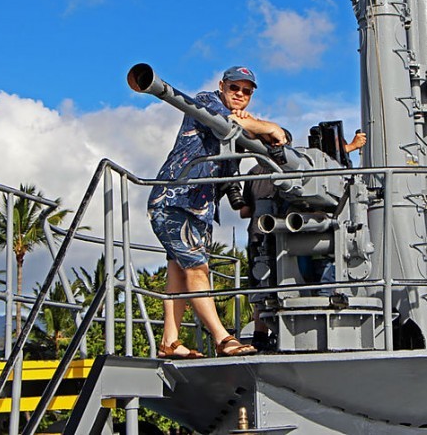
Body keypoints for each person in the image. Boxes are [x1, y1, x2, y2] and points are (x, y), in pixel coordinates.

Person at [148, 66, 288, 359]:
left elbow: (246, 141)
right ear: (222, 86)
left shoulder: (238, 119)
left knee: (179, 273)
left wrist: (261, 130)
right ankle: (222, 337)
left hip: (199, 208)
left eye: (246, 91)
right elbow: (226, 124)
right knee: (197, 270)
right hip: (176, 200)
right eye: (235, 88)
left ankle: (169, 342)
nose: (240, 94)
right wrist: (268, 125)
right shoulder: (206, 101)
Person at [239, 130, 367, 351]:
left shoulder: (253, 173)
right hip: (280, 233)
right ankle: (326, 296)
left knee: (263, 284)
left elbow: (243, 210)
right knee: (275, 279)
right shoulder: (284, 175)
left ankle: (260, 335)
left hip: (265, 233)